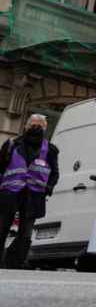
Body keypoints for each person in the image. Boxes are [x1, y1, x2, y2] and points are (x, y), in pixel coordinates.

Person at [0, 114, 59, 269]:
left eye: (40, 125)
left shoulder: (50, 149)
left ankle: (14, 262)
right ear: (26, 126)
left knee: (25, 233)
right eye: (33, 124)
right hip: (10, 193)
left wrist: (49, 187)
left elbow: (54, 173)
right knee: (2, 228)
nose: (36, 127)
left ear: (45, 129)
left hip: (34, 196)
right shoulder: (12, 144)